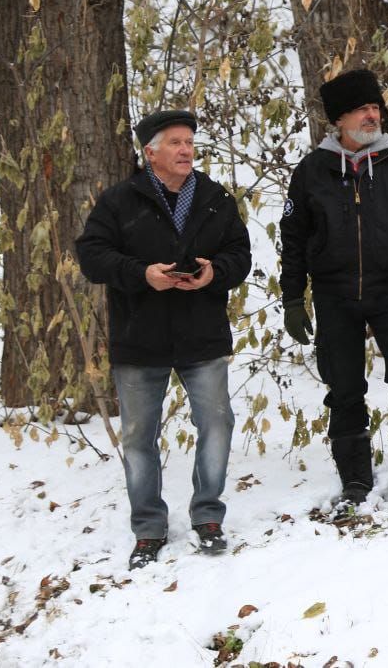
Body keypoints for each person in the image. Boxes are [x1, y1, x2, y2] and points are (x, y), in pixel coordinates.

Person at [76, 110, 252, 570]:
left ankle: (208, 516)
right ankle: (149, 528)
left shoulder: (215, 198)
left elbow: (240, 254)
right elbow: (91, 256)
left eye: (189, 142)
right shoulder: (119, 201)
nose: (186, 150)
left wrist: (215, 273)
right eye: (175, 142)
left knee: (217, 423)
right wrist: (142, 275)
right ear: (150, 152)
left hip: (202, 335)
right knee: (138, 437)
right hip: (140, 338)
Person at [279, 69, 388, 520]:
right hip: (334, 294)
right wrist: (293, 298)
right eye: (361, 109)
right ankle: (355, 484)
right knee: (344, 387)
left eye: (375, 108)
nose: (372, 115)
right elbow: (293, 239)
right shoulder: (312, 171)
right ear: (339, 119)